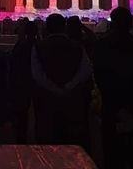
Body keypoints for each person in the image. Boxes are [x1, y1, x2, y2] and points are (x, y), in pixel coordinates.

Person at [93, 7, 133, 169]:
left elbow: (100, 78)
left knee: (112, 154)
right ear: (130, 23)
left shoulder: (101, 47)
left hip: (111, 106)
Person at [32, 13, 92, 148]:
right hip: (71, 98)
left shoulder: (39, 46)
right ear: (64, 27)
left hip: (47, 98)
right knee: (71, 138)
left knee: (48, 137)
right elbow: (85, 70)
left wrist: (54, 88)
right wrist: (68, 87)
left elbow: (37, 74)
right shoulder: (77, 46)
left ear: (47, 28)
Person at [9, 19, 38, 143]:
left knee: (22, 117)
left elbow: (13, 64)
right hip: (35, 86)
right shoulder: (39, 45)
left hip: (22, 85)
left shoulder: (21, 46)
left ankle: (21, 140)